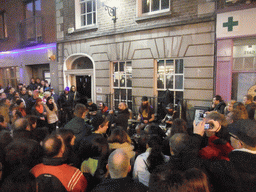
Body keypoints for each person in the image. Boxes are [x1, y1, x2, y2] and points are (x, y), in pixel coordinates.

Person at [182, 119, 256, 192]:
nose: (229, 137)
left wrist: (196, 136)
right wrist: (219, 129)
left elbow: (190, 163)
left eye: (231, 135)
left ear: (240, 144)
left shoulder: (228, 168)